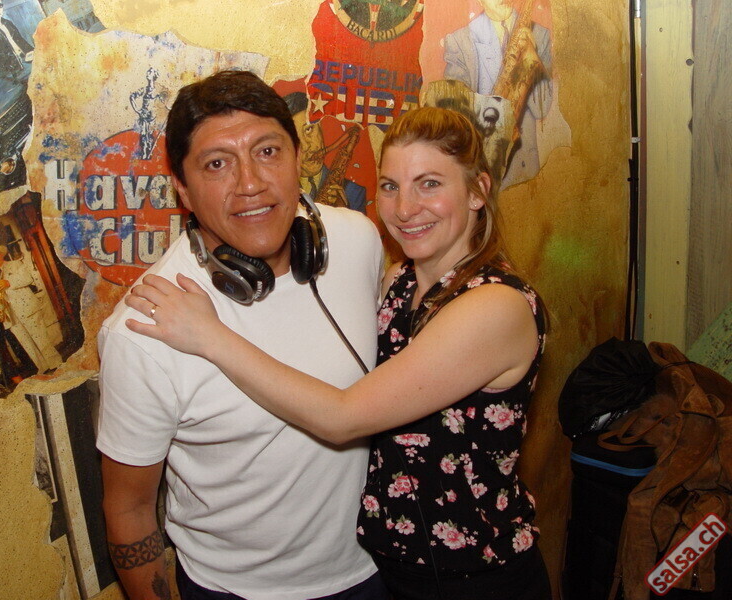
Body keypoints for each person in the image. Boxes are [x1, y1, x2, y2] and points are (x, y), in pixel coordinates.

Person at [125, 106, 551, 600]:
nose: (405, 208)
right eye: (390, 186)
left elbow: (344, 417)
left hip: (476, 579)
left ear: (477, 191)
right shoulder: (399, 281)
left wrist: (210, 336)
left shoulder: (496, 307)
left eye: (430, 184)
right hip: (393, 570)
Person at [96, 70, 387, 600]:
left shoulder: (358, 242)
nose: (250, 183)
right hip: (233, 589)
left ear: (298, 159)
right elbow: (129, 508)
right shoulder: (142, 332)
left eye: (268, 151)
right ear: (182, 189)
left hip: (375, 571)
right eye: (217, 164)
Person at [443, 0, 552, 188]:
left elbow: (542, 109)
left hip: (523, 173)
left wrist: (530, 53)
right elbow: (455, 113)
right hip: (477, 167)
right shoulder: (460, 41)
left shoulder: (540, 35)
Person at [0, 243, 61, 374]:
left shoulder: (15, 265)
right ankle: (43, 369)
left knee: (41, 338)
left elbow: (28, 278)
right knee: (27, 345)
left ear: (1, 255)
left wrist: (9, 283)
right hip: (10, 316)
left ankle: (56, 364)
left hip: (27, 309)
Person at [284, 92, 367, 213]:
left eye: (308, 129)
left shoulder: (354, 193)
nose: (306, 146)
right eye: (294, 138)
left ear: (320, 126)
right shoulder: (279, 192)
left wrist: (345, 214)